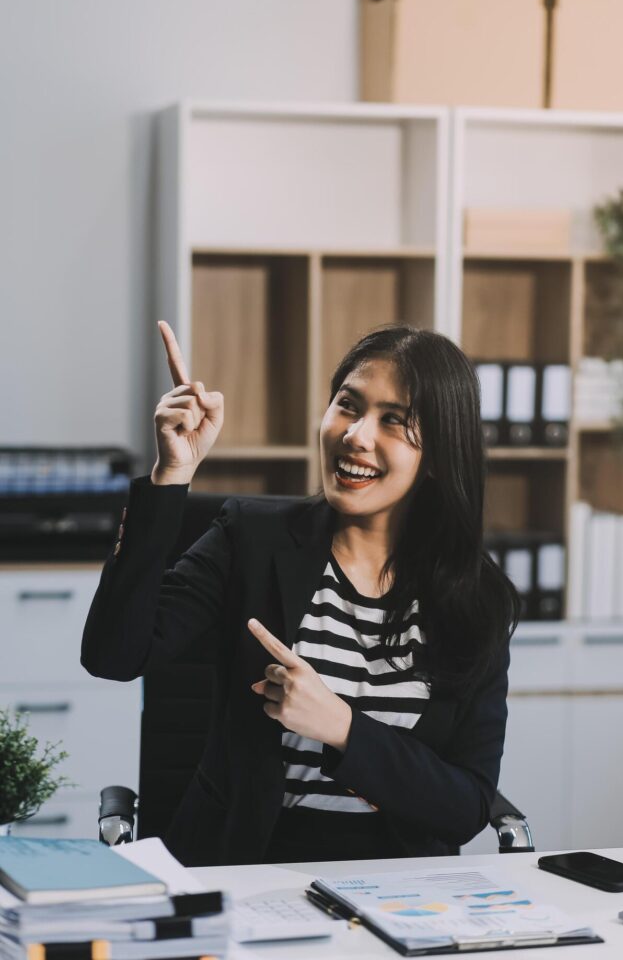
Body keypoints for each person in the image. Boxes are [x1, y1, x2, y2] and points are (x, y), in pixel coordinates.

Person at [81, 321, 519, 866]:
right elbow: (114, 655)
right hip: (245, 866)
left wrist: (340, 728)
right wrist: (171, 476)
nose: (357, 435)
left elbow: (466, 805)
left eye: (394, 421)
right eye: (348, 405)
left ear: (437, 456)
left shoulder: (478, 598)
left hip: (399, 884)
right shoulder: (253, 538)